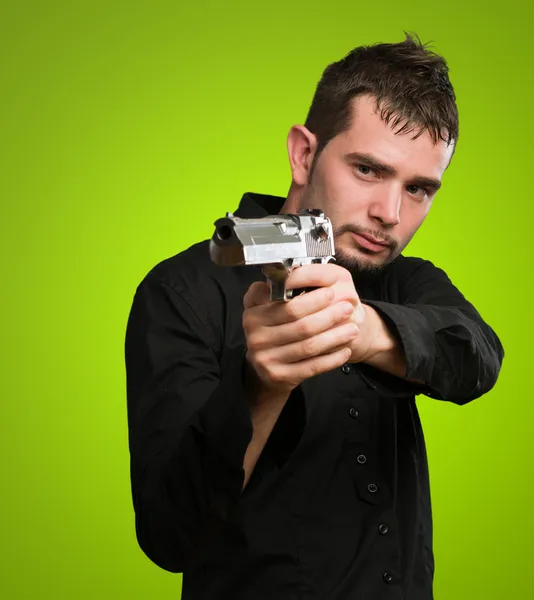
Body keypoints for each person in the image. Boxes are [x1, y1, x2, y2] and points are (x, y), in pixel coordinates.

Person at [124, 33, 504, 600]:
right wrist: (260, 386)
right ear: (304, 154)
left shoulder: (406, 279)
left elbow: (477, 358)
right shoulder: (184, 291)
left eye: (420, 188)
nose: (390, 215)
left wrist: (365, 329)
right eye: (369, 170)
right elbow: (170, 535)